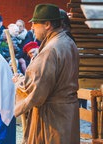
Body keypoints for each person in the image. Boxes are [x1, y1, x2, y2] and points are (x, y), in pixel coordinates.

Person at [13, 4, 80, 143]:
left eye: (35, 23)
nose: (32, 28)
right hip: (66, 114)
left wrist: (19, 83)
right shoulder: (68, 42)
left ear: (47, 24)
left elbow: (37, 92)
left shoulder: (51, 49)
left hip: (52, 119)